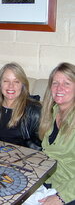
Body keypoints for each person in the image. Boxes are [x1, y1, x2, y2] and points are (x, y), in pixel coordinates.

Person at [37, 62, 75, 204]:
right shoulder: (51, 112)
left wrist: (61, 197)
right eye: (55, 83)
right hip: (49, 181)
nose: (59, 88)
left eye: (67, 83)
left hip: (69, 190)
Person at [0, 62, 41, 150]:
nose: (11, 86)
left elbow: (41, 148)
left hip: (26, 160)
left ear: (22, 85)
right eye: (6, 81)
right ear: (0, 84)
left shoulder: (35, 111)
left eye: (16, 81)